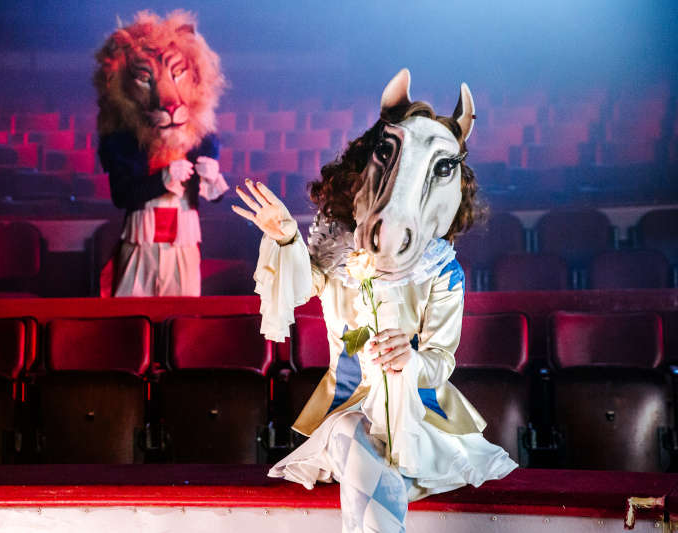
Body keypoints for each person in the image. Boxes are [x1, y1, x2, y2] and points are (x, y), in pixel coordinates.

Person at [232, 69, 517, 533]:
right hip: (349, 406)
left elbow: (441, 361)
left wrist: (410, 359)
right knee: (351, 434)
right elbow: (306, 288)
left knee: (366, 464)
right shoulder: (338, 251)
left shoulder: (441, 270)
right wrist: (286, 240)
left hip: (419, 416)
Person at [94, 10, 228, 297]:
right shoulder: (122, 141)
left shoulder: (201, 139)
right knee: (131, 320)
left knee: (182, 320)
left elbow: (216, 197)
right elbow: (122, 197)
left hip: (183, 240)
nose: (168, 101)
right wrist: (163, 179)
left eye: (177, 74)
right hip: (141, 239)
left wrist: (214, 180)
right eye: (146, 79)